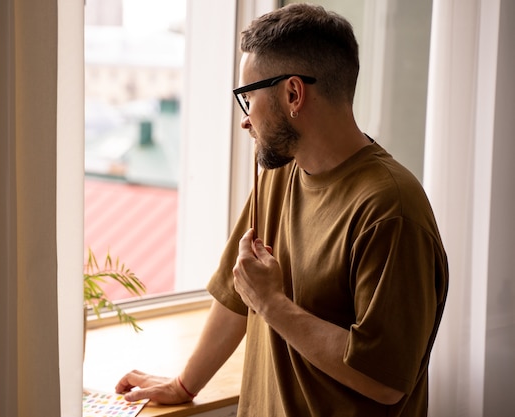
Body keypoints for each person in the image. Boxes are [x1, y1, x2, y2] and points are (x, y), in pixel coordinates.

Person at [115, 3, 448, 416]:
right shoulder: (278, 173)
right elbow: (240, 292)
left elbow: (384, 381)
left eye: (247, 98)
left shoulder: (391, 210)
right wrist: (184, 384)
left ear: (293, 93)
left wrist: (274, 305)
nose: (245, 120)